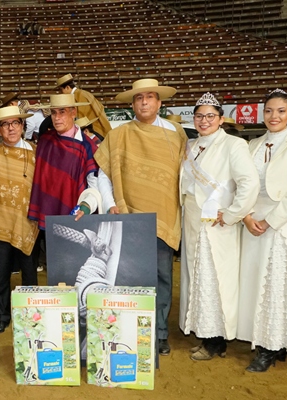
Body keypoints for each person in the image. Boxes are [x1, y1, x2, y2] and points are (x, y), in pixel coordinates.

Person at [94, 78, 188, 356]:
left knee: (161, 276)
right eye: (139, 98)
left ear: (159, 102)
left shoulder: (176, 134)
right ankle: (129, 329)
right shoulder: (118, 134)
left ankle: (159, 333)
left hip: (164, 214)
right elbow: (103, 174)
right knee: (127, 275)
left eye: (149, 97)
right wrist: (111, 203)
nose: (144, 102)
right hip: (128, 215)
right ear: (132, 104)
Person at [237, 89, 287, 372]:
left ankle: (271, 346)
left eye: (281, 111)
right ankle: (263, 338)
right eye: (269, 111)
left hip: (284, 222)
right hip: (253, 222)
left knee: (278, 283)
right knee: (254, 282)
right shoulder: (252, 144)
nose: (274, 116)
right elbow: (240, 185)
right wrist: (246, 217)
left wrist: (271, 220)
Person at [177, 93, 259, 361]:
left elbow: (249, 183)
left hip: (217, 223)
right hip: (192, 221)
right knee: (196, 277)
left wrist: (234, 213)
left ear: (221, 119)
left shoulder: (233, 145)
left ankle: (217, 340)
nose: (204, 120)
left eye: (210, 115)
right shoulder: (191, 145)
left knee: (216, 278)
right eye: (199, 116)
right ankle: (204, 331)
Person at [0, 106, 39, 334]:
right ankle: (2, 316)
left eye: (15, 123)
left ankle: (30, 316)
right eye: (5, 125)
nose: (11, 128)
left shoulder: (36, 152)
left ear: (22, 126)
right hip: (0, 221)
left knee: (29, 274)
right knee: (1, 274)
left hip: (27, 221)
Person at [28, 93, 101, 230]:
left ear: (74, 112)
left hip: (75, 215)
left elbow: (94, 185)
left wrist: (86, 206)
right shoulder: (45, 141)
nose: (57, 118)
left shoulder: (87, 147)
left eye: (62, 112)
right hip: (46, 211)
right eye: (54, 113)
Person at [55, 73, 112, 138]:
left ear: (67, 87)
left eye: (61, 90)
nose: (61, 92)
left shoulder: (79, 96)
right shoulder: (83, 93)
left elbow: (81, 118)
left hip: (93, 131)